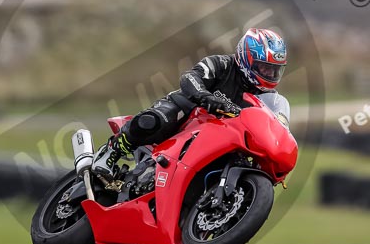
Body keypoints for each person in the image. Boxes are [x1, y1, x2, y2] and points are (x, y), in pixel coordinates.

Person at [92, 28, 290, 182]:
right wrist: (205, 97)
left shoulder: (269, 99)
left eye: (274, 70)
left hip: (221, 136)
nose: (270, 75)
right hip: (190, 115)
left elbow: (276, 129)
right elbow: (190, 77)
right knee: (154, 120)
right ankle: (112, 150)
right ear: (246, 58)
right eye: (264, 67)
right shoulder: (222, 64)